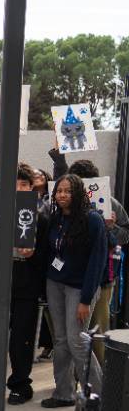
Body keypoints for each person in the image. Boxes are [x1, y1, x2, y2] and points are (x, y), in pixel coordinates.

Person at [0, 163, 49, 405]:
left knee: (22, 339)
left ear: (32, 188)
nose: (18, 188)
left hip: (26, 287)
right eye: (14, 184)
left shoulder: (40, 218)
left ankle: (19, 384)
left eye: (24, 184)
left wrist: (33, 255)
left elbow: (47, 256)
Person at [48, 153, 129, 364]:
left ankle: (100, 385)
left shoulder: (109, 204)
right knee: (68, 336)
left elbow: (124, 236)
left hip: (101, 279)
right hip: (66, 279)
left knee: (95, 332)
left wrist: (110, 228)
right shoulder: (60, 212)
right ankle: (70, 387)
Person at [42, 174, 107, 408]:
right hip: (55, 283)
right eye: (59, 191)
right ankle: (64, 393)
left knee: (77, 341)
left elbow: (97, 262)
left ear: (78, 192)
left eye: (68, 191)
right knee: (60, 341)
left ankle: (101, 397)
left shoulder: (92, 220)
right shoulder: (56, 217)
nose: (62, 195)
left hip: (80, 289)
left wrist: (86, 299)